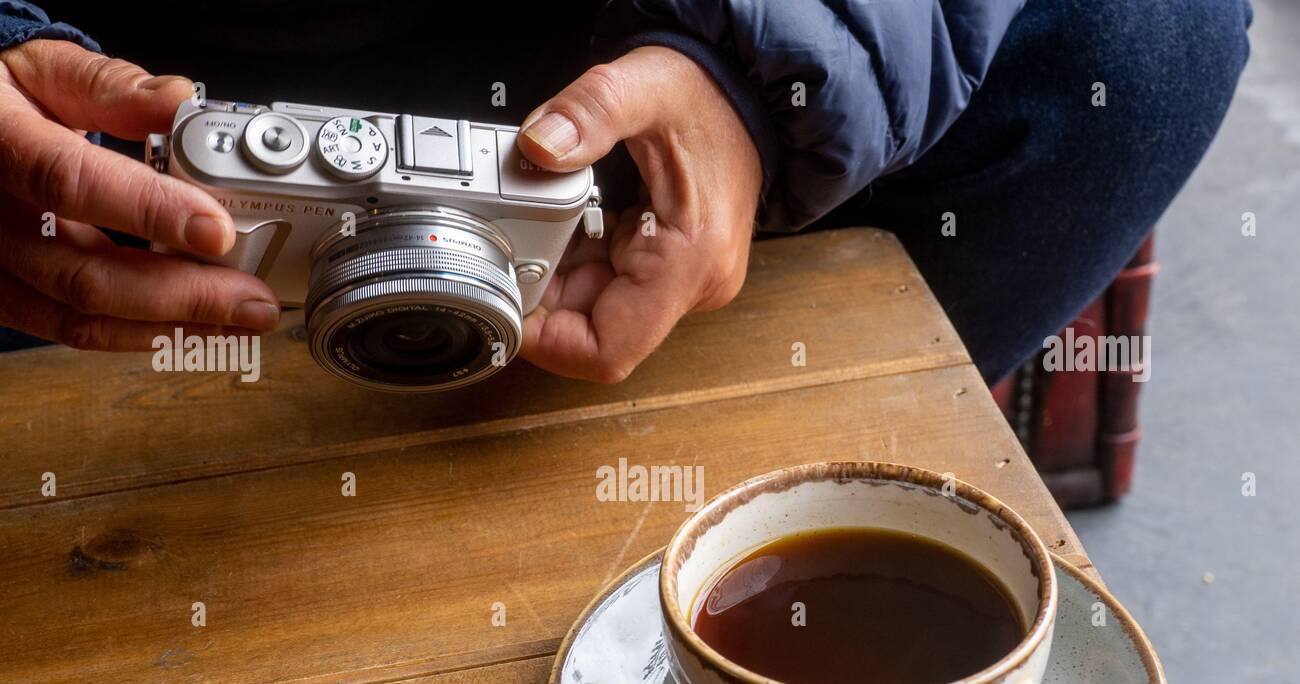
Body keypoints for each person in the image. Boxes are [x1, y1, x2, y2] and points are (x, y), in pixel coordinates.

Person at [0, 0, 1252, 384]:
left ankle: (774, 504)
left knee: (1146, 42)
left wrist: (768, 78)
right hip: (106, 72)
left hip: (631, 38)